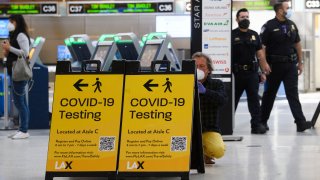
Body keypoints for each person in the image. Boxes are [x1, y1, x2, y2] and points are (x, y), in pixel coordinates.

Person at [260, 1, 312, 132]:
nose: (289, 10)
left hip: (290, 66)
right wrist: (264, 64)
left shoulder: (292, 25)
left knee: (293, 94)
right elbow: (262, 47)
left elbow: (298, 44)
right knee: (269, 94)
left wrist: (300, 63)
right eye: (287, 8)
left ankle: (300, 122)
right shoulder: (269, 26)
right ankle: (262, 122)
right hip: (274, 66)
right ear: (279, 10)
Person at [232, 8, 271, 134]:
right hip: (236, 74)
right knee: (233, 101)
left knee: (254, 101)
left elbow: (260, 55)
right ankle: (226, 125)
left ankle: (256, 126)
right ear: (237, 19)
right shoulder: (231, 35)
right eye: (242, 17)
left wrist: (263, 72)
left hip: (252, 74)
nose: (245, 19)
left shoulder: (254, 35)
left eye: (247, 17)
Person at [193, 52, 227, 164]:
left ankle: (205, 152)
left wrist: (205, 92)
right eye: (195, 66)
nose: (198, 69)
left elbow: (222, 100)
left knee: (218, 150)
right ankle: (198, 153)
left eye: (202, 66)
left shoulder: (217, 84)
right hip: (188, 129)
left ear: (208, 69)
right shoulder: (183, 83)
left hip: (208, 129)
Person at [1, 15, 31, 139]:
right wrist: (7, 50)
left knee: (20, 102)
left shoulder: (21, 35)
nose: (10, 24)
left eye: (11, 21)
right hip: (13, 71)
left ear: (17, 22)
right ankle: (22, 129)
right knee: (21, 102)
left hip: (19, 71)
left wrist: (10, 48)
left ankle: (24, 130)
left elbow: (25, 53)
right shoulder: (14, 35)